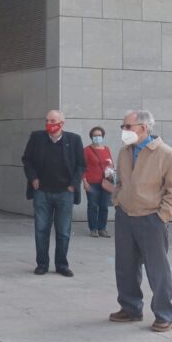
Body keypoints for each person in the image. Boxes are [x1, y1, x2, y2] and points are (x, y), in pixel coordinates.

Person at [110, 109, 172, 333]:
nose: (124, 131)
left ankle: (164, 314)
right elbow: (121, 181)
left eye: (127, 127)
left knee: (157, 270)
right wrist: (117, 201)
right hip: (125, 216)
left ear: (143, 128)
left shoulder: (168, 155)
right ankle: (130, 308)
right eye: (123, 127)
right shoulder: (125, 152)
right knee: (125, 267)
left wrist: (162, 215)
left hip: (151, 218)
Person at [22, 110, 85, 277]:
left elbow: (81, 164)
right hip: (42, 192)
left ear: (62, 124)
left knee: (63, 231)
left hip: (65, 192)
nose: (49, 123)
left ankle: (62, 265)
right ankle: (42, 264)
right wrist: (33, 178)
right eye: (47, 120)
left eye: (53, 120)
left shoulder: (74, 140)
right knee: (41, 229)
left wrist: (73, 184)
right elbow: (26, 159)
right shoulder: (37, 138)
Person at [83, 126, 114, 238]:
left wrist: (110, 172)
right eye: (95, 135)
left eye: (99, 135)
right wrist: (84, 181)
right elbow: (83, 167)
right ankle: (93, 229)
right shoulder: (87, 150)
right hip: (92, 182)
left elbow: (111, 164)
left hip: (106, 182)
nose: (97, 137)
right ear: (91, 137)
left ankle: (102, 229)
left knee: (104, 206)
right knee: (93, 205)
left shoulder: (106, 149)